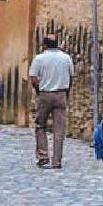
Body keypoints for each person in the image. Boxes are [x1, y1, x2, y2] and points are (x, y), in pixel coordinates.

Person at [29, 36, 74, 169]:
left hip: (45, 93)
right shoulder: (66, 58)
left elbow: (33, 78)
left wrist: (38, 90)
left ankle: (43, 156)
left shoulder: (39, 58)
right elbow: (71, 77)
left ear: (44, 45)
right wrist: (67, 92)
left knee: (40, 125)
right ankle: (57, 160)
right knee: (59, 128)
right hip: (61, 93)